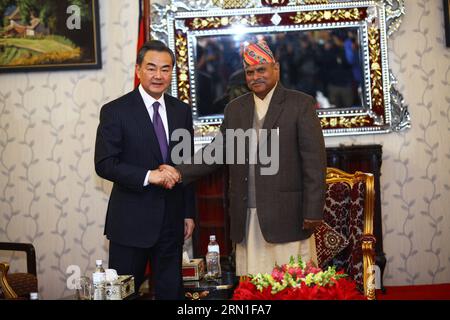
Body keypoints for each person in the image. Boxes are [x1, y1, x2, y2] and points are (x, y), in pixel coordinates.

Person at [160, 40, 326, 276]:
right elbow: (216, 151)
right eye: (250, 72)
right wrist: (178, 172)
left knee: (292, 285)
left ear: (275, 68)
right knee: (253, 285)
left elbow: (314, 163)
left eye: (261, 70)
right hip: (247, 218)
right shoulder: (235, 109)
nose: (255, 76)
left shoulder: (300, 104)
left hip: (288, 216)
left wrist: (313, 211)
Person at [94, 40, 195, 299]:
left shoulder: (181, 111)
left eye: (165, 69)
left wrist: (188, 213)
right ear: (138, 69)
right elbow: (105, 163)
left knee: (172, 294)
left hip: (171, 223)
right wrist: (151, 176)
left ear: (172, 72)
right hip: (130, 223)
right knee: (123, 295)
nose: (158, 75)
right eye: (151, 68)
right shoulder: (116, 111)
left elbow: (187, 165)